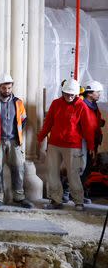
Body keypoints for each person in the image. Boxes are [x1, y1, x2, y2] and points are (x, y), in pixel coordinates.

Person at [38, 78, 94, 211]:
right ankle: (56, 200)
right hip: (55, 144)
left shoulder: (81, 106)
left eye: (72, 94)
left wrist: (91, 146)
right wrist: (41, 136)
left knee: (73, 174)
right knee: (52, 172)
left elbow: (88, 128)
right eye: (66, 94)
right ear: (62, 92)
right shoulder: (56, 104)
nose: (69, 96)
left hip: (73, 145)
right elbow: (49, 122)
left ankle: (78, 201)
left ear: (76, 94)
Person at [0, 73, 32, 208]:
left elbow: (23, 119)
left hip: (14, 141)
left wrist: (17, 135)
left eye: (9, 88)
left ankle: (19, 197)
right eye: (3, 88)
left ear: (12, 87)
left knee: (19, 168)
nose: (6, 91)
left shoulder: (18, 102)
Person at [79, 81, 104, 202]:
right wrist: (90, 146)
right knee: (81, 167)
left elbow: (95, 121)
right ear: (89, 93)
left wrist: (100, 122)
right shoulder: (83, 105)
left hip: (92, 140)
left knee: (88, 167)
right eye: (97, 92)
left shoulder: (93, 105)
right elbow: (87, 127)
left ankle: (79, 193)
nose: (99, 94)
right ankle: (73, 193)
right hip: (84, 141)